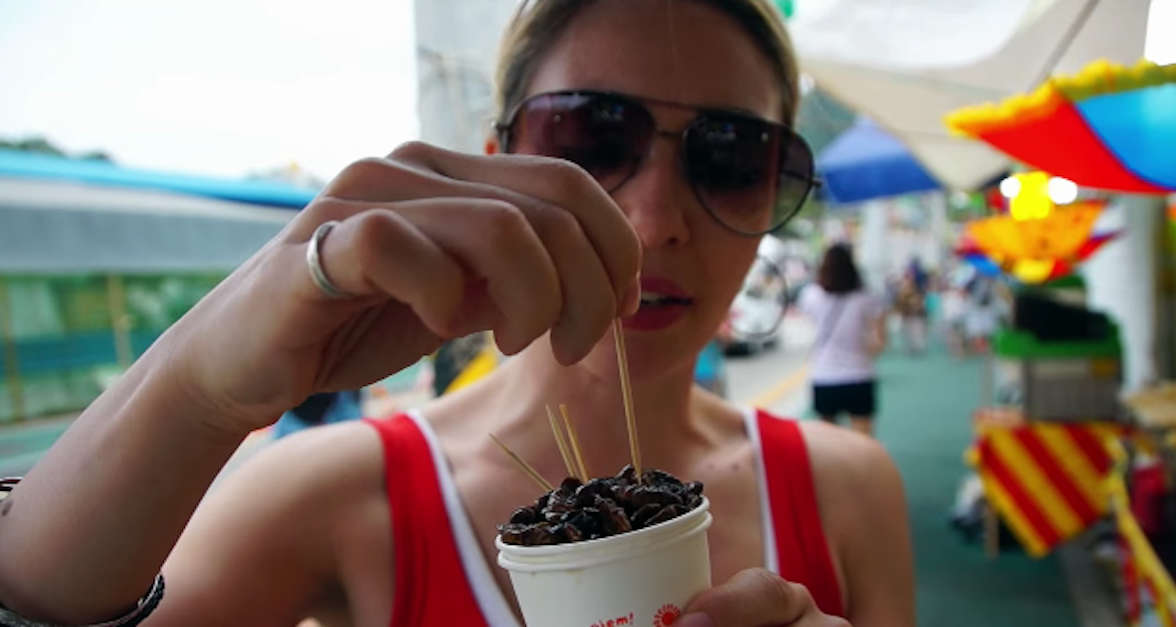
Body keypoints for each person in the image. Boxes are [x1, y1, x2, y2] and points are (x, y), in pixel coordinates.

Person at [0, 1, 915, 626]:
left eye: (733, 155)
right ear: (499, 162)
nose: (653, 223)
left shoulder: (847, 490)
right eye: (591, 136)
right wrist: (194, 390)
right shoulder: (341, 495)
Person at [799, 244, 888, 438]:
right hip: (859, 374)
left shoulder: (811, 294)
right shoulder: (866, 297)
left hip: (823, 375)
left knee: (829, 444)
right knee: (863, 443)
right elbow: (880, 342)